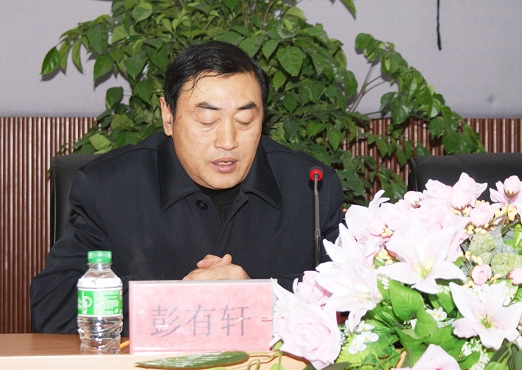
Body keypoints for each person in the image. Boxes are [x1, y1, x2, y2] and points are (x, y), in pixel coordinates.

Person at [30, 40, 345, 336]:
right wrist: (179, 301)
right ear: (168, 116)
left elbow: (352, 296)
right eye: (207, 121)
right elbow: (53, 306)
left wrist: (259, 297)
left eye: (245, 120)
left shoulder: (311, 187)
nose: (228, 141)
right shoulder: (110, 187)